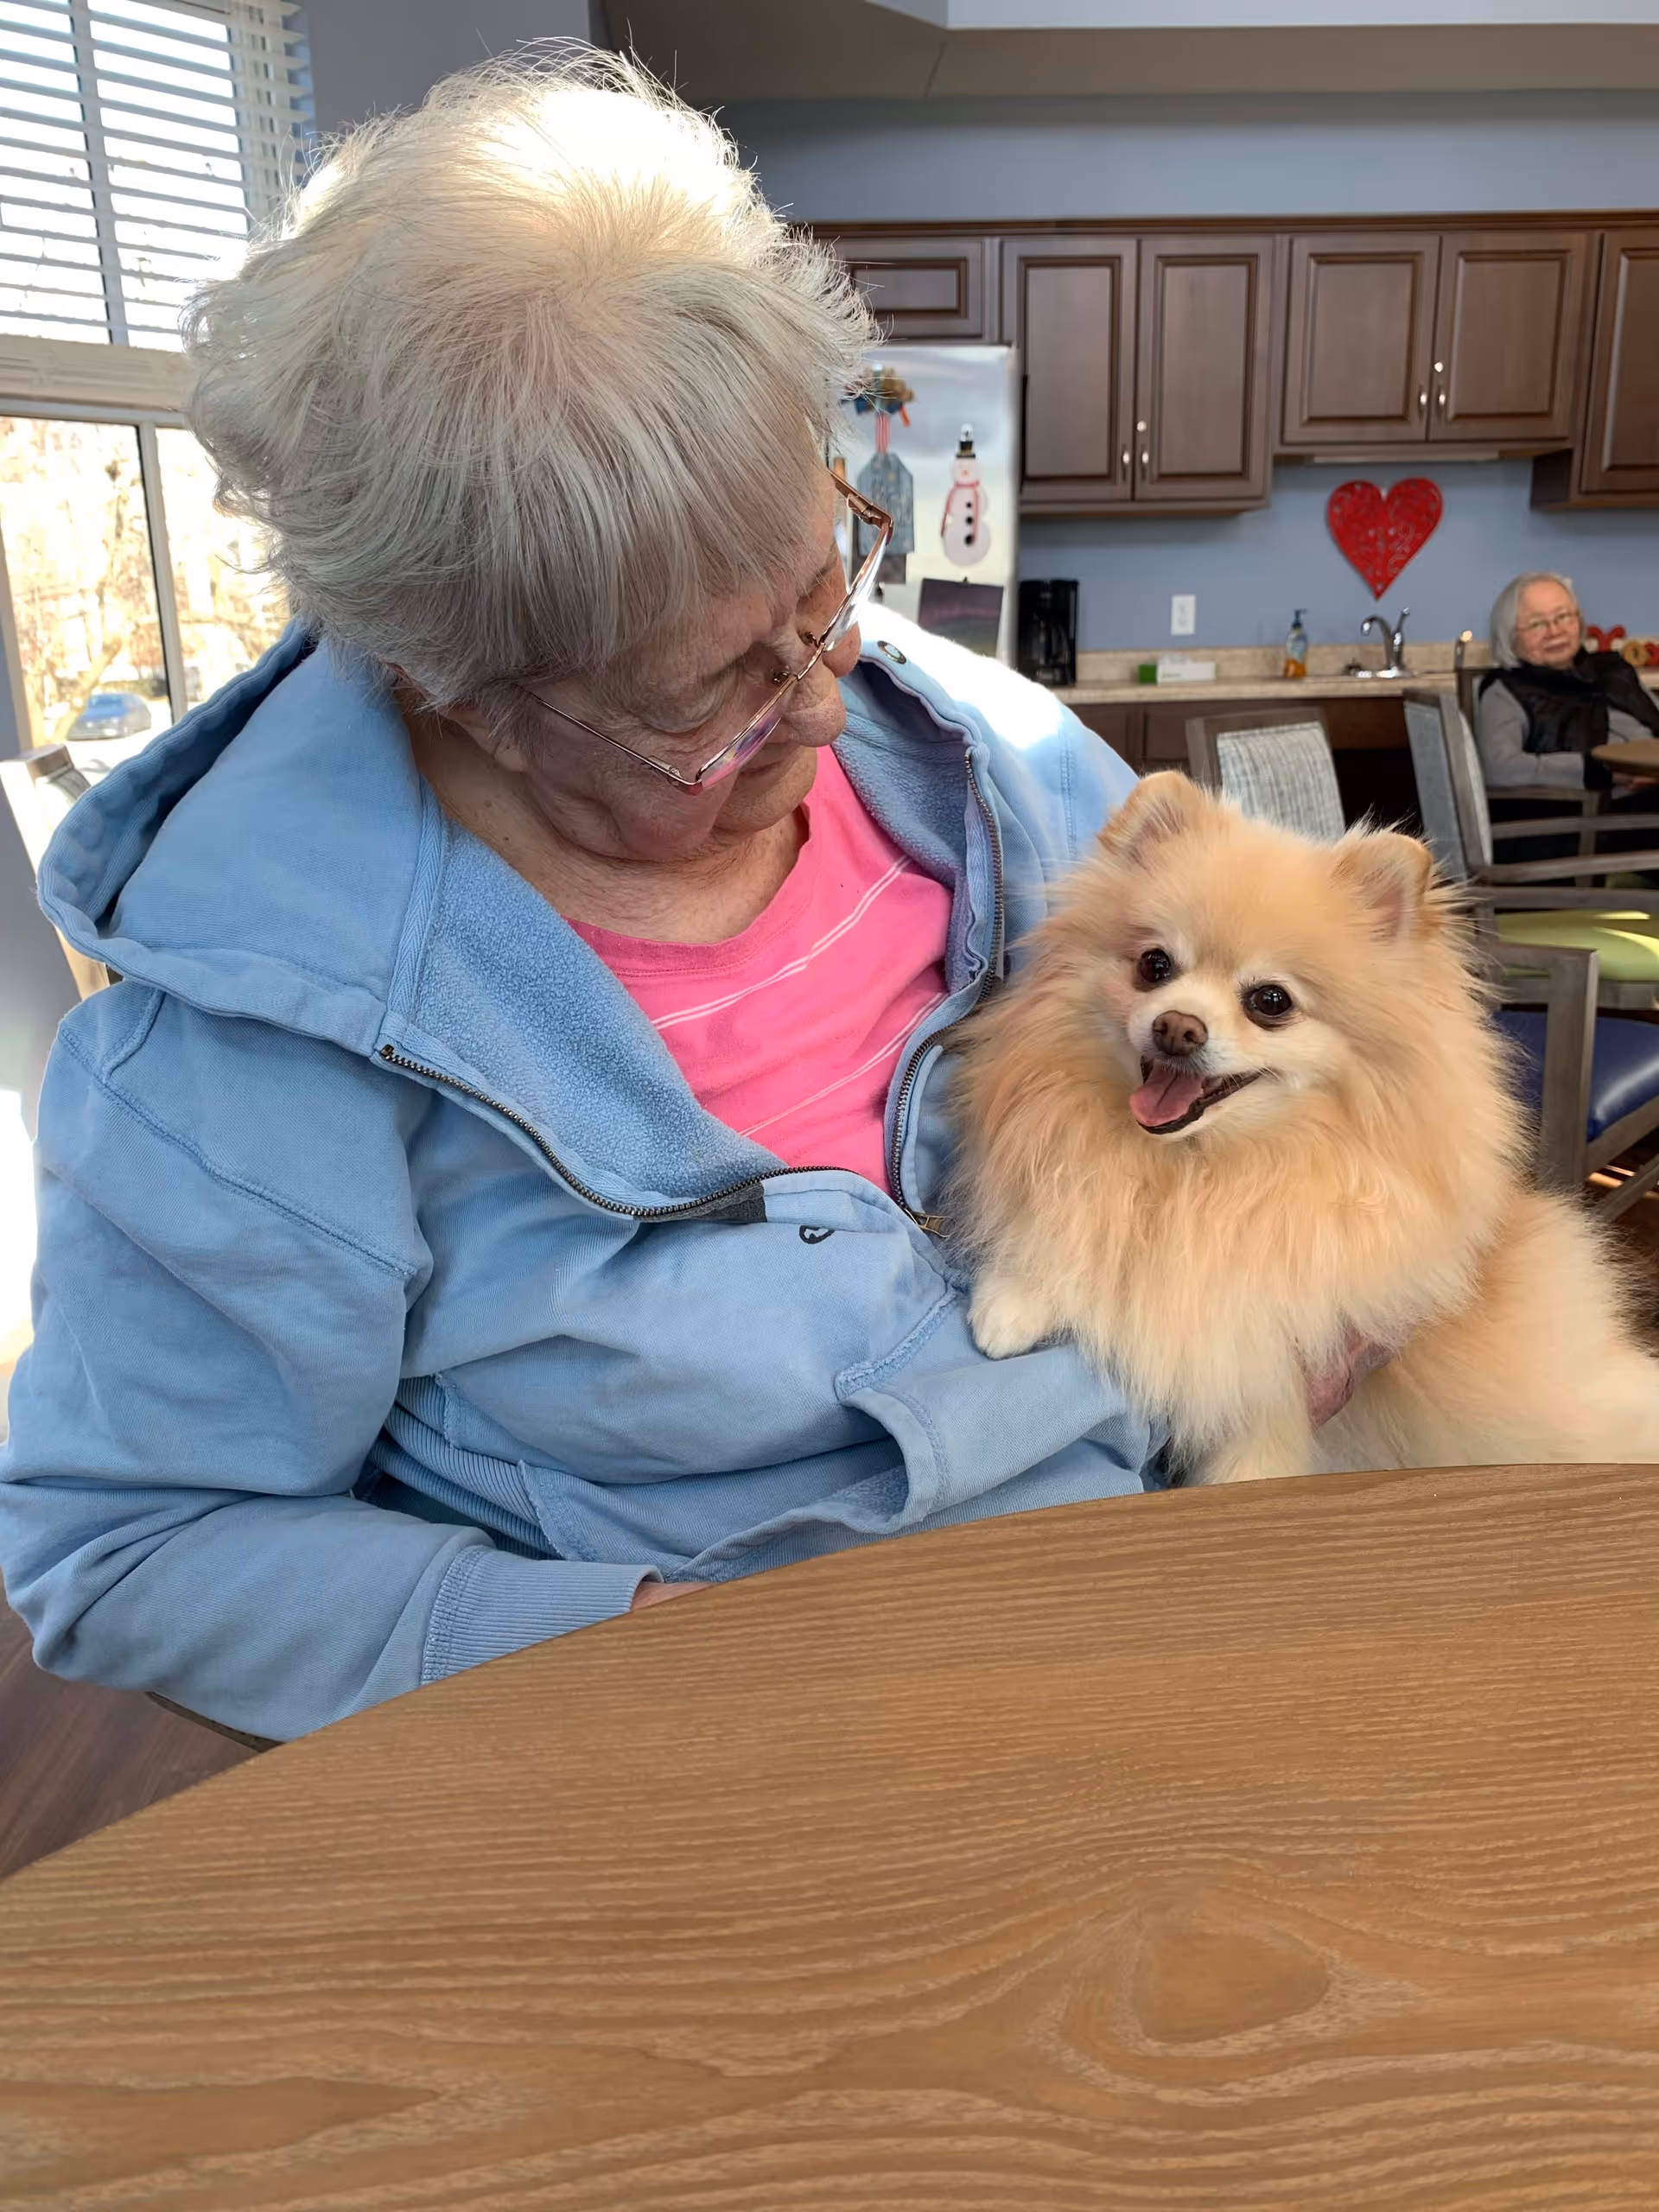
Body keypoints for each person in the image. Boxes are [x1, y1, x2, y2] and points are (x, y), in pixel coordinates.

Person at [0, 52, 1369, 1745]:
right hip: (708, 1746)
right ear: (458, 685)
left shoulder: (1017, 775)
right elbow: (129, 1543)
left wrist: (1309, 1318)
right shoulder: (241, 1056)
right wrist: (630, 1641)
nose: (821, 696)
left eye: (827, 579)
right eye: (706, 690)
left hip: (1157, 1607)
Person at [1478, 571, 1659, 791]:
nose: (1555, 631)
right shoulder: (1505, 691)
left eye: (1563, 617)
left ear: (1579, 621)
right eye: (1537, 624)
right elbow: (1499, 768)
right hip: (1597, 809)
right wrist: (1600, 771)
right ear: (1510, 637)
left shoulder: (1614, 670)